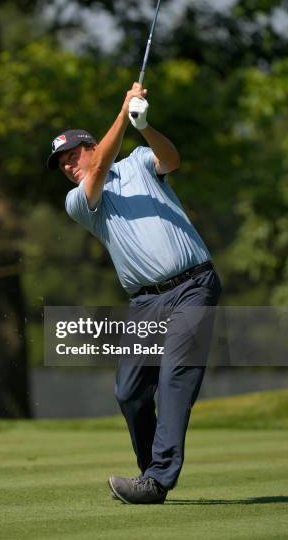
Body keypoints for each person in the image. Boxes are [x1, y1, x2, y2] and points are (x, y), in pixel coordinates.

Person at [47, 82, 222, 504]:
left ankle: (158, 479)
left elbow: (171, 159)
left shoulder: (140, 161)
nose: (70, 167)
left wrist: (142, 125)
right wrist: (123, 112)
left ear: (89, 146)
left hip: (194, 286)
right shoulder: (79, 200)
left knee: (176, 378)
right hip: (145, 302)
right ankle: (150, 475)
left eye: (73, 156)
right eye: (62, 164)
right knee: (129, 392)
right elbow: (103, 165)